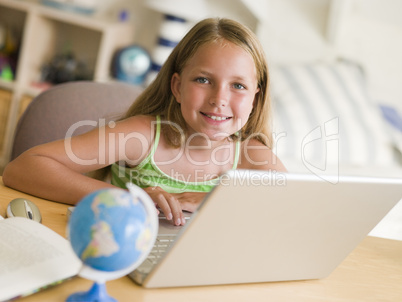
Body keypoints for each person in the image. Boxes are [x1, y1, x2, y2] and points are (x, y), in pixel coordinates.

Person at [3, 18, 286, 226]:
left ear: (255, 98)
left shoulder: (252, 157)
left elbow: (292, 215)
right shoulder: (143, 136)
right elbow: (22, 168)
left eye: (238, 86)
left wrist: (216, 205)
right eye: (203, 80)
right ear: (177, 86)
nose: (219, 99)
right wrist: (129, 199)